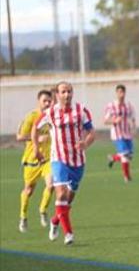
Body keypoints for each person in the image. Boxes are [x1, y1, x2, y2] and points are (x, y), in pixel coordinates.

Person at [32, 81, 96, 246]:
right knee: (60, 194)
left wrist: (85, 144)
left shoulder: (81, 110)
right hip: (58, 159)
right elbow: (35, 128)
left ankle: (55, 221)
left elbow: (91, 132)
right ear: (58, 94)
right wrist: (36, 149)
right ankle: (69, 234)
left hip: (78, 160)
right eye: (63, 92)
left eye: (69, 91)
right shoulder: (50, 112)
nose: (67, 94)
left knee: (68, 199)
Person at [16, 89, 55, 233]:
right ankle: (23, 216)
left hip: (48, 159)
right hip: (32, 159)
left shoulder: (52, 116)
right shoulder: (32, 117)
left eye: (49, 101)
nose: (47, 103)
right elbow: (19, 136)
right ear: (39, 101)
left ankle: (43, 210)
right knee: (29, 190)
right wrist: (37, 139)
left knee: (51, 185)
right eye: (44, 101)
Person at [104, 84, 136, 183]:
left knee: (129, 155)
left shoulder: (129, 105)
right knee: (125, 155)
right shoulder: (111, 106)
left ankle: (113, 158)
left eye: (122, 92)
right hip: (117, 135)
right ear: (116, 93)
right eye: (119, 92)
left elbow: (133, 118)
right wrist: (114, 120)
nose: (121, 94)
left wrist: (134, 128)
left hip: (127, 133)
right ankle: (127, 177)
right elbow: (105, 120)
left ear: (125, 93)